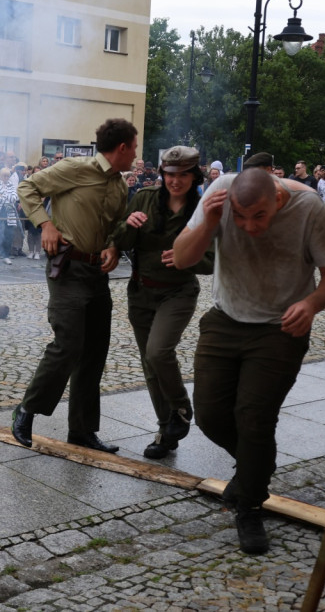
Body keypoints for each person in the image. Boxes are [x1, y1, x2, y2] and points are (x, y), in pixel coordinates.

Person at [172, 167, 325, 554]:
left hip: (279, 329)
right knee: (210, 415)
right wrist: (211, 222)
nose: (249, 226)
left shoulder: (308, 207)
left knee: (254, 418)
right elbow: (182, 258)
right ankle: (258, 465)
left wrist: (311, 304)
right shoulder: (220, 193)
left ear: (278, 200)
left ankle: (250, 504)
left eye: (259, 216)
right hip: (225, 319)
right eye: (240, 216)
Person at [11, 118, 135, 453]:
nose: (136, 155)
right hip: (67, 268)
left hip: (98, 274)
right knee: (67, 344)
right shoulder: (75, 168)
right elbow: (27, 188)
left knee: (94, 351)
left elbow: (115, 226)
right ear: (122, 147)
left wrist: (113, 246)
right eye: (134, 148)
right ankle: (26, 410)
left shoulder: (119, 185)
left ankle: (81, 430)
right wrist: (45, 224)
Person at [109, 146, 213, 460]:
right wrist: (129, 225)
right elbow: (120, 240)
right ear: (162, 174)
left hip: (177, 292)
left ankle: (181, 408)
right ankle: (166, 432)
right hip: (141, 291)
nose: (175, 181)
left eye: (183, 175)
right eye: (170, 174)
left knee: (158, 351)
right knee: (150, 364)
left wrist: (185, 259)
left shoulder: (203, 210)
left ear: (194, 177)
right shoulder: (144, 198)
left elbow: (212, 260)